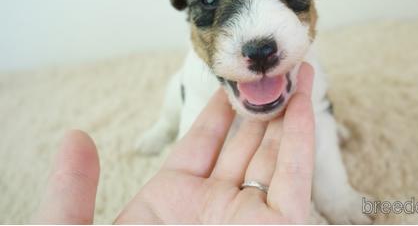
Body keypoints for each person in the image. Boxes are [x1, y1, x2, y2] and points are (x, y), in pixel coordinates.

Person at [33, 63, 315, 224]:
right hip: (215, 152)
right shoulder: (193, 80)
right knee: (186, 119)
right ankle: (163, 125)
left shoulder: (304, 75)